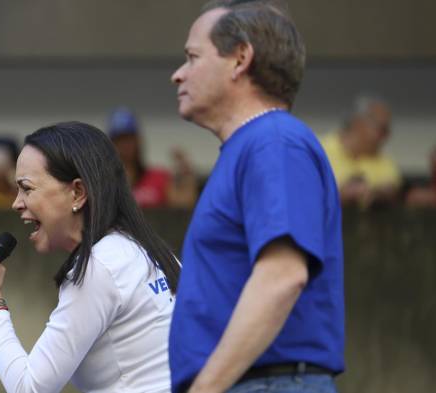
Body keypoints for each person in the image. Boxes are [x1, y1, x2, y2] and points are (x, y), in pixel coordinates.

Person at [168, 1, 344, 393]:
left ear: (240, 59)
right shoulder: (257, 145)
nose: (177, 75)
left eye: (192, 57)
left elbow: (282, 275)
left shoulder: (272, 141)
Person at [0, 121, 181, 393]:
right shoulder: (145, 250)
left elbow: (28, 388)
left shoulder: (99, 267)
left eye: (27, 188)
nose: (16, 203)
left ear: (77, 192)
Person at [108, 107, 198, 208]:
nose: (125, 145)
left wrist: (186, 171)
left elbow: (184, 204)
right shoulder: (104, 183)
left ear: (138, 141)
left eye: (129, 139)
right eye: (120, 140)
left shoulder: (158, 178)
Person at [321, 95, 401, 206]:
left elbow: (390, 190)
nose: (386, 136)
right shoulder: (321, 150)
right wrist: (340, 194)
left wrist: (375, 195)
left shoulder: (385, 161)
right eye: (382, 129)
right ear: (358, 123)